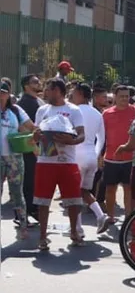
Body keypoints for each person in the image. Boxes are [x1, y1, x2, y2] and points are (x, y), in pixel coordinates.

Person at [33, 78, 86, 250]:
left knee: (73, 200)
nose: (45, 92)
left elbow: (82, 135)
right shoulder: (42, 110)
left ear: (58, 91)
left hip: (67, 162)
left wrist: (70, 141)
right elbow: (34, 135)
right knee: (43, 201)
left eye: (48, 89)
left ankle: (74, 232)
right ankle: (42, 236)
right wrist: (37, 136)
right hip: (45, 162)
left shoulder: (73, 110)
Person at [70, 82, 110, 236]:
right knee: (84, 191)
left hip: (76, 155)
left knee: (74, 194)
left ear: (80, 93)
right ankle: (100, 216)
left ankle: (78, 228)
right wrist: (95, 152)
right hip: (91, 156)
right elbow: (102, 138)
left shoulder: (73, 111)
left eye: (74, 92)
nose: (72, 95)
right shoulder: (97, 114)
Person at [0, 79, 34, 238]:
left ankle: (23, 224)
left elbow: (30, 127)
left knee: (17, 193)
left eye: (3, 92)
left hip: (14, 157)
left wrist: (32, 137)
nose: (1, 95)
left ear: (8, 94)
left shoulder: (15, 110)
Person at [100, 86, 135, 223]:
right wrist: (100, 155)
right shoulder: (106, 114)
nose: (124, 99)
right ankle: (110, 216)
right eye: (121, 96)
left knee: (128, 189)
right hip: (111, 158)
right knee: (110, 189)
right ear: (115, 97)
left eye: (127, 96)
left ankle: (128, 217)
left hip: (131, 158)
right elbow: (101, 137)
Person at [18, 74, 42, 223]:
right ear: (26, 86)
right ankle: (25, 213)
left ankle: (30, 211)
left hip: (36, 148)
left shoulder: (36, 101)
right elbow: (23, 128)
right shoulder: (25, 103)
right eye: (35, 81)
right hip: (29, 149)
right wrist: (34, 148)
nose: (39, 83)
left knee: (32, 180)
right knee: (28, 181)